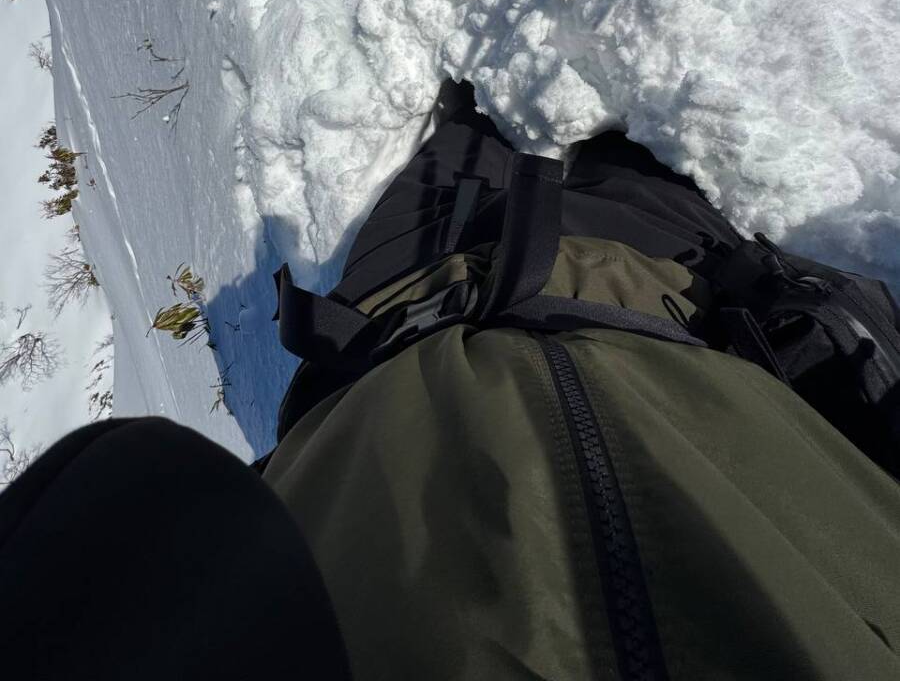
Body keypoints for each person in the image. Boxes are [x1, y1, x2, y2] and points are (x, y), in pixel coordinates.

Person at [2, 82, 899, 680]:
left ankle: (490, 126)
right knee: (621, 157)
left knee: (471, 152)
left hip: (399, 338)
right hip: (650, 319)